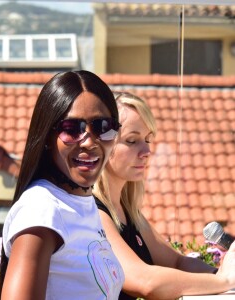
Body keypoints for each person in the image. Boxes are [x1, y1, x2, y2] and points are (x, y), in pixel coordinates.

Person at [93, 92, 235, 300]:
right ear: (105, 145)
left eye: (148, 139)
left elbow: (178, 262)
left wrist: (220, 275)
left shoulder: (129, 212)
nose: (146, 150)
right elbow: (144, 281)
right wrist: (223, 281)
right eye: (132, 141)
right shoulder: (94, 212)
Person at [0, 70, 125, 300]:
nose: (89, 141)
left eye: (103, 126)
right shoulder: (42, 211)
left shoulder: (80, 202)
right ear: (48, 136)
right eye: (72, 128)